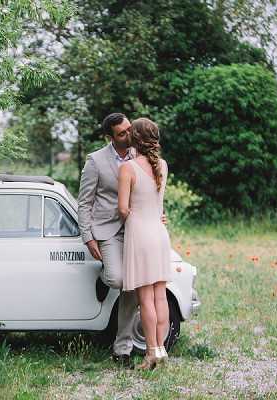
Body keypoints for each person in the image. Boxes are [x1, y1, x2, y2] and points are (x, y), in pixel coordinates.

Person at [77, 112, 139, 366]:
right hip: (107, 230)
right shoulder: (95, 161)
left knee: (133, 285)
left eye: (129, 129)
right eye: (122, 133)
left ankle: (122, 348)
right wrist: (88, 237)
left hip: (136, 228)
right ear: (110, 137)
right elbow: (84, 202)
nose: (128, 134)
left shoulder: (140, 155)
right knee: (117, 279)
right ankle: (104, 276)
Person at [118, 117, 171, 370]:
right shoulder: (162, 165)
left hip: (140, 235)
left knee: (146, 298)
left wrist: (132, 215)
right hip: (160, 234)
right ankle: (160, 350)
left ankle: (151, 353)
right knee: (160, 296)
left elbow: (122, 209)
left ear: (134, 138)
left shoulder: (127, 168)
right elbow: (156, 204)